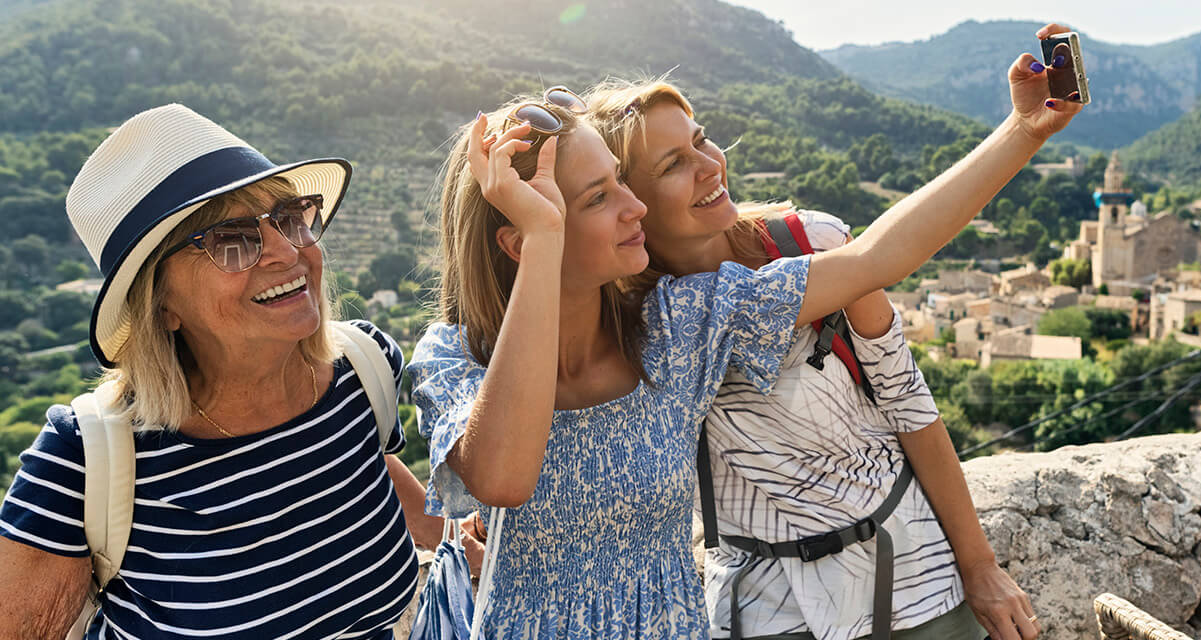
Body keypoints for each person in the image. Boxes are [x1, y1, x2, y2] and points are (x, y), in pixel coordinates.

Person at [409, 35, 1078, 639]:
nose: (633, 208)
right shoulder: (453, 359)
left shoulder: (675, 328)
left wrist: (1023, 130)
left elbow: (876, 257)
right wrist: (545, 238)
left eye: (621, 183)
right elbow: (503, 478)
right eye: (597, 198)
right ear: (519, 239)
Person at [0, 104, 459, 639]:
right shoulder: (81, 464)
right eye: (232, 239)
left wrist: (456, 536)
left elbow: (368, 475)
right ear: (161, 303)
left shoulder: (360, 374)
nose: (286, 251)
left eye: (289, 217)